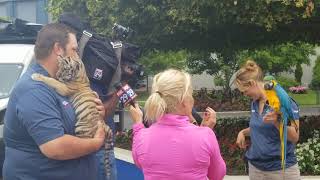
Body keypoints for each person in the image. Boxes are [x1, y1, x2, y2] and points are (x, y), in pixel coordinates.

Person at [3, 23, 106, 180]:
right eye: (74, 49)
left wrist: (96, 115)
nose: (77, 56)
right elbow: (55, 146)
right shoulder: (34, 89)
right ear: (58, 49)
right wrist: (96, 143)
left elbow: (71, 122)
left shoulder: (59, 83)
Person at [128, 69, 226, 180]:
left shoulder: (142, 136)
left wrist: (138, 124)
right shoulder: (205, 135)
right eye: (191, 94)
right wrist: (204, 131)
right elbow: (217, 175)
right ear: (184, 100)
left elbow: (139, 162)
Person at [234, 60, 301, 179]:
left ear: (252, 83)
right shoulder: (254, 103)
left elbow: (294, 137)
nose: (245, 95)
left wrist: (277, 121)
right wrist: (243, 132)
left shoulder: (283, 101)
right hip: (256, 169)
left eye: (245, 91)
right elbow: (260, 126)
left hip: (281, 171)